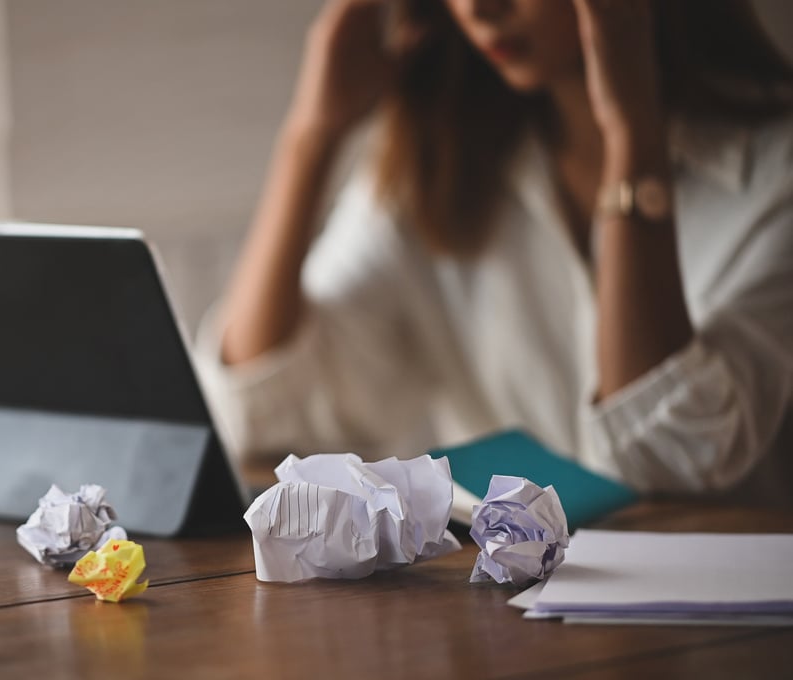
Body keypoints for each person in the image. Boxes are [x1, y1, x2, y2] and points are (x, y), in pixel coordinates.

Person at [195, 0, 793, 503]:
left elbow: (667, 463)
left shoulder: (775, 172)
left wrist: (634, 139)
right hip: (504, 622)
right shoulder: (437, 167)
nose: (480, 8)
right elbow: (264, 422)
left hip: (725, 635)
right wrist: (311, 137)